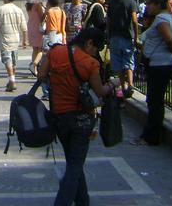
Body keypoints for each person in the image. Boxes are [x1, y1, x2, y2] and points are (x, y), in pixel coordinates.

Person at [37, 26, 119, 206]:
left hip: (58, 116)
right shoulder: (90, 63)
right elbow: (100, 90)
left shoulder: (55, 52)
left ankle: (83, 201)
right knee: (75, 164)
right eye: (96, 48)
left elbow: (41, 74)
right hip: (81, 119)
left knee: (74, 160)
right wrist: (113, 84)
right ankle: (62, 202)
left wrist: (58, 81)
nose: (95, 52)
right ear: (89, 43)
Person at [132, 0, 172, 146]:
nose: (146, 6)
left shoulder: (161, 19)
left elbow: (168, 38)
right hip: (160, 63)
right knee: (154, 100)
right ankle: (150, 134)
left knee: (155, 101)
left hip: (159, 64)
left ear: (156, 4)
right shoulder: (169, 18)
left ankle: (152, 136)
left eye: (148, 3)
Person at [0, 0, 28, 91]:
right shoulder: (19, 10)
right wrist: (25, 40)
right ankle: (12, 79)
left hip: (5, 39)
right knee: (13, 61)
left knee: (7, 60)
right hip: (16, 39)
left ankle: (12, 81)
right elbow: (24, 28)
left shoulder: (2, 9)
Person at [107, 0, 139, 97]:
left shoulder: (112, 2)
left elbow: (108, 21)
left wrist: (108, 36)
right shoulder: (131, 2)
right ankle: (130, 84)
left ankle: (122, 86)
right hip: (127, 36)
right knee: (128, 62)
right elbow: (135, 21)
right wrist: (136, 37)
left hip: (114, 37)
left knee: (118, 63)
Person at [26, 1, 45, 74]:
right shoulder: (37, 5)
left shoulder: (28, 5)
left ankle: (35, 68)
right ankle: (34, 66)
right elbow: (42, 17)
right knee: (40, 49)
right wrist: (45, 12)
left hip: (31, 27)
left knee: (35, 49)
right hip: (38, 28)